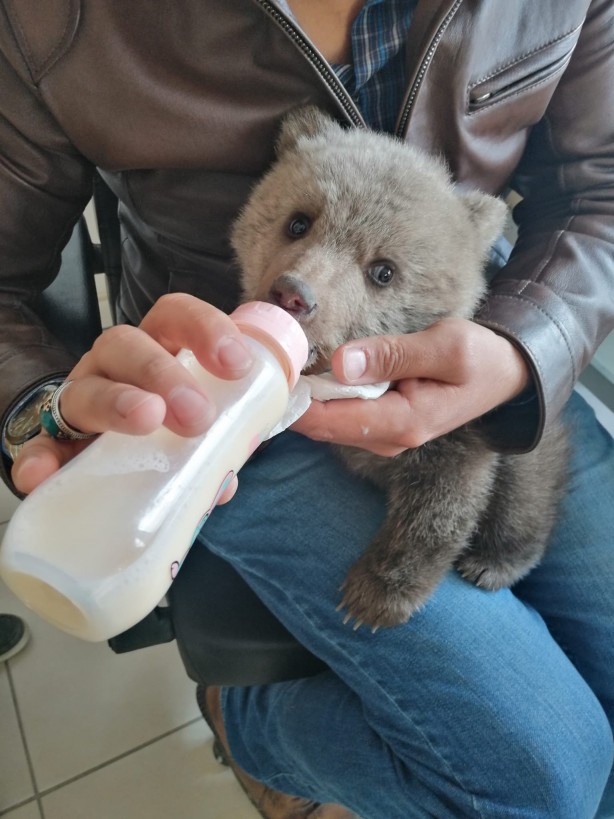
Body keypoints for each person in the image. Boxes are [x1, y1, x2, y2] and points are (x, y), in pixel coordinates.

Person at [0, 1, 613, 816]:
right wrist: (39, 402)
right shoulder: (53, 19)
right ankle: (253, 723)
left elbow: (598, 186)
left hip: (481, 350)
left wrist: (524, 348)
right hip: (222, 406)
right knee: (547, 775)